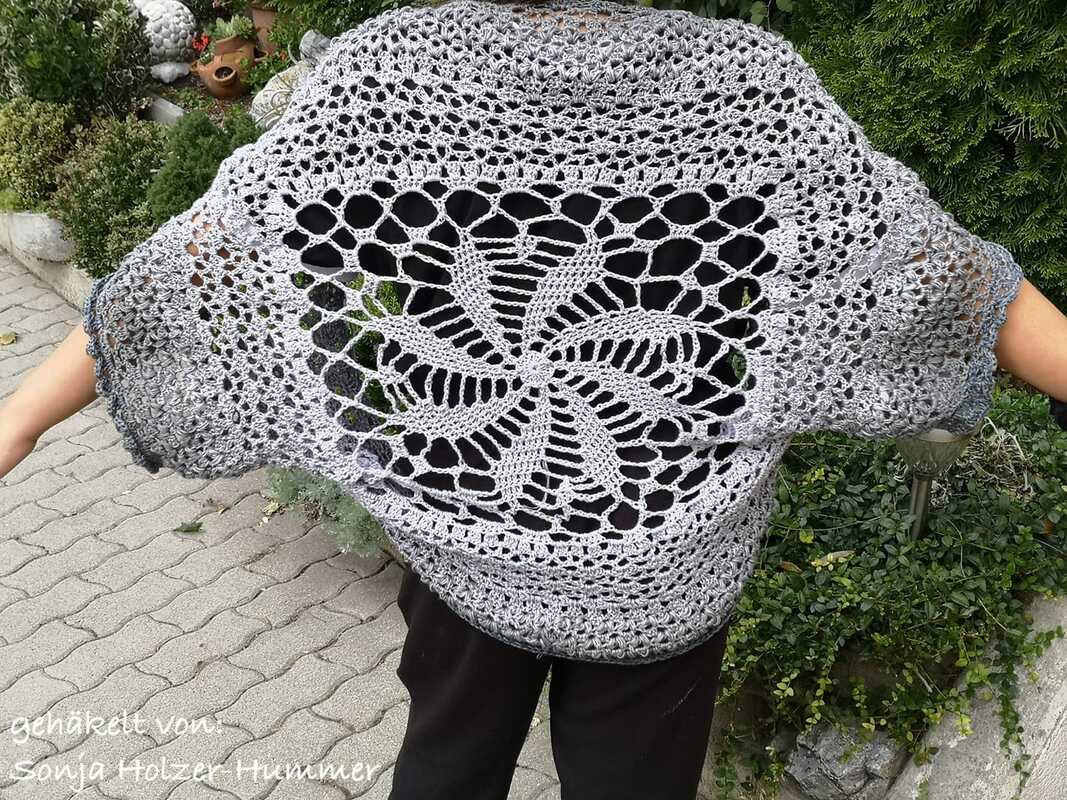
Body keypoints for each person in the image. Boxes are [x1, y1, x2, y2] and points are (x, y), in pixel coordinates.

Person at [1, 0, 1066, 798]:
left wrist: (21, 416)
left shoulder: (387, 75)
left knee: (445, 768)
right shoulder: (748, 85)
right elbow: (949, 281)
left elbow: (194, 272)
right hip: (652, 549)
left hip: (474, 523)